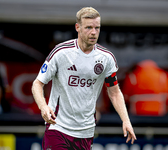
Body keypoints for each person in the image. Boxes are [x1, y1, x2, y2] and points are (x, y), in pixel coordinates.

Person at [32, 7, 136, 150]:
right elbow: (37, 84)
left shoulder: (106, 58)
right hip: (58, 127)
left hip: (85, 132)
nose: (93, 32)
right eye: (88, 27)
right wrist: (43, 107)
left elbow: (115, 92)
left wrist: (126, 120)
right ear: (78, 27)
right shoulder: (61, 52)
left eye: (97, 28)